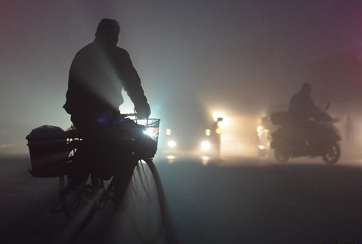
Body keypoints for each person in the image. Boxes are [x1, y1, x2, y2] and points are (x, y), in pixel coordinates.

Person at [63, 19, 151, 187]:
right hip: (98, 113)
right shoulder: (118, 55)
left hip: (81, 113)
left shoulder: (83, 53)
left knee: (103, 141)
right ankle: (104, 184)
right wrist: (141, 106)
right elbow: (132, 84)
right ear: (114, 36)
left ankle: (95, 175)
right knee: (116, 141)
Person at [288, 83, 320, 147]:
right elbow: (296, 108)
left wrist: (319, 113)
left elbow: (312, 107)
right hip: (296, 119)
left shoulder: (307, 98)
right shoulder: (298, 98)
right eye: (308, 89)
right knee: (308, 128)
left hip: (303, 118)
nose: (309, 91)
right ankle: (306, 144)